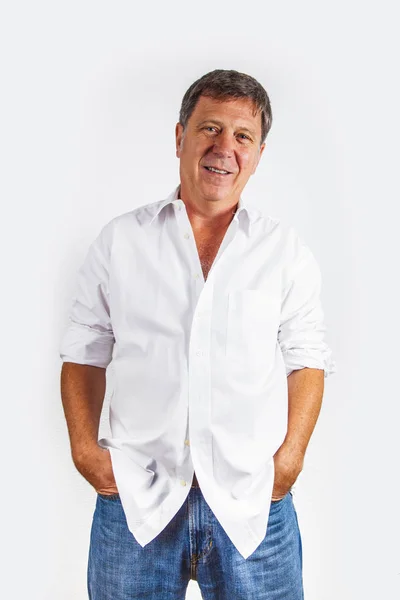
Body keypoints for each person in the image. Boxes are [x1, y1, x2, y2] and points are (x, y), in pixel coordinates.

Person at [59, 68, 336, 599]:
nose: (224, 148)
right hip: (135, 498)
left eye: (242, 136)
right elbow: (84, 349)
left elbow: (307, 358)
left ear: (258, 154)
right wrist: (85, 452)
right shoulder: (121, 241)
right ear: (180, 136)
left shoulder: (284, 252)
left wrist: (289, 462)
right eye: (210, 128)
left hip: (253, 504)